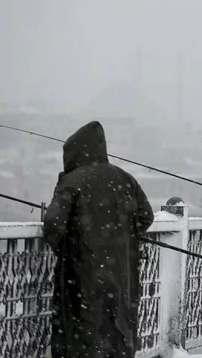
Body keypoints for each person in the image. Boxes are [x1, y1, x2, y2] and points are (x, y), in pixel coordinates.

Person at [44, 121, 154, 358]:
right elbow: (146, 216)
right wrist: (120, 234)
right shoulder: (125, 179)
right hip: (122, 274)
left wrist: (69, 246)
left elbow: (54, 224)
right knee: (118, 331)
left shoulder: (72, 180)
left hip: (82, 274)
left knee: (83, 332)